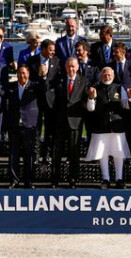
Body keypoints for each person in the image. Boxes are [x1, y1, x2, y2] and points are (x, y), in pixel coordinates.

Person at [85, 67, 131, 188]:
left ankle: (119, 178)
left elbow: (126, 106)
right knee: (102, 153)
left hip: (117, 126)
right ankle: (105, 179)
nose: (107, 77)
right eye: (105, 74)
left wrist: (130, 98)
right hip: (101, 126)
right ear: (101, 76)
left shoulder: (119, 87)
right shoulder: (95, 88)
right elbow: (90, 108)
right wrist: (91, 97)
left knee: (118, 153)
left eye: (109, 75)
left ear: (113, 75)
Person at [47, 57, 88, 187]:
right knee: (56, 152)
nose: (71, 69)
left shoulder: (84, 81)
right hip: (59, 121)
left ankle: (73, 179)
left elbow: (86, 99)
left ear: (77, 67)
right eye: (68, 66)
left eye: (73, 66)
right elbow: (52, 97)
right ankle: (55, 179)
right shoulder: (59, 80)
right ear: (65, 67)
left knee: (74, 152)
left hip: (75, 121)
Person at [1, 65, 43, 189]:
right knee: (13, 155)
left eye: (24, 73)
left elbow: (44, 88)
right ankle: (14, 180)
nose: (22, 76)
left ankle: (28, 181)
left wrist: (43, 76)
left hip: (29, 125)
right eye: (19, 73)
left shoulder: (34, 86)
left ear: (28, 74)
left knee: (29, 155)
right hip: (14, 125)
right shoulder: (12, 87)